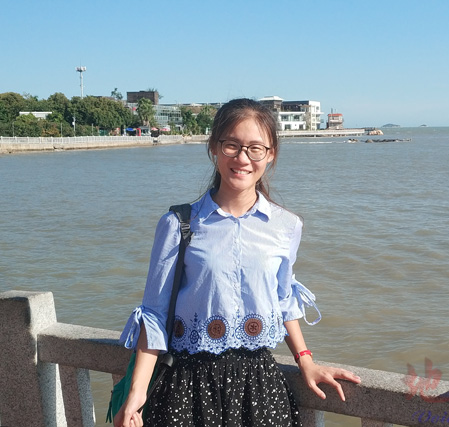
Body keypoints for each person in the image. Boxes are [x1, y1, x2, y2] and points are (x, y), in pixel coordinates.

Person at [115, 98, 361, 427]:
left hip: (259, 386)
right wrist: (137, 392)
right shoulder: (178, 224)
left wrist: (306, 360)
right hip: (188, 384)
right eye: (231, 145)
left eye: (255, 148)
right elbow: (154, 314)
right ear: (214, 148)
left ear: (270, 154)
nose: (243, 158)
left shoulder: (287, 226)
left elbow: (283, 299)